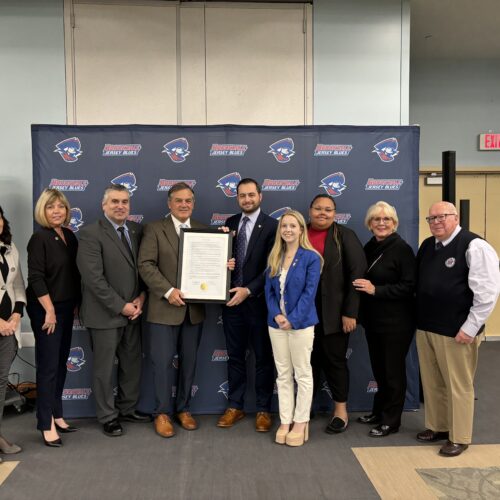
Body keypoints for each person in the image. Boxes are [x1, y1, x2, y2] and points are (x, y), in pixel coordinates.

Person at [415, 201, 499, 457]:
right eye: (431, 218)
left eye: (442, 217)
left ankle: (460, 436)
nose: (436, 222)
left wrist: (470, 328)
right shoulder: (429, 245)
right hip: (427, 326)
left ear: (456, 217)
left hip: (457, 331)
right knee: (432, 382)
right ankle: (438, 426)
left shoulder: (475, 246)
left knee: (458, 385)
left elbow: (487, 293)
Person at [77, 184, 149, 437]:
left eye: (125, 202)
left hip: (134, 311)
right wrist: (122, 307)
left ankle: (127, 408)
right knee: (104, 369)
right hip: (105, 314)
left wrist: (140, 298)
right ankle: (108, 416)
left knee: (131, 364)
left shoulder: (136, 230)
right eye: (115, 201)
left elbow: (142, 268)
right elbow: (93, 279)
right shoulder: (90, 234)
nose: (120, 206)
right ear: (104, 205)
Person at [138, 183, 206, 438]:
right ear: (169, 203)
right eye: (178, 200)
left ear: (193, 203)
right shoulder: (155, 229)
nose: (184, 204)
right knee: (163, 364)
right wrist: (168, 291)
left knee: (189, 363)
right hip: (163, 309)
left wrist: (225, 263)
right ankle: (162, 412)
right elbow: (145, 265)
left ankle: (183, 409)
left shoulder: (203, 230)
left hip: (194, 311)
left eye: (188, 200)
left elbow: (210, 265)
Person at [217, 178, 278, 432]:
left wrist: (249, 290)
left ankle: (264, 409)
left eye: (251, 195)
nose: (247, 200)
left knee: (264, 358)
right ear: (237, 198)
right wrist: (221, 258)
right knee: (235, 357)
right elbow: (223, 260)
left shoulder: (273, 226)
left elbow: (272, 265)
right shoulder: (230, 224)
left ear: (260, 196)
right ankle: (235, 405)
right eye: (242, 196)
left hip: (259, 303)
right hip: (231, 304)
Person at [353, 201, 416, 437]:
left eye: (386, 219)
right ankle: (378, 411)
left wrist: (375, 290)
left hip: (397, 323)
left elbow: (409, 287)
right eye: (377, 219)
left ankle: (392, 420)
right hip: (374, 321)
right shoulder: (370, 246)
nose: (381, 223)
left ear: (394, 223)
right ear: (369, 224)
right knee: (380, 370)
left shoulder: (402, 249)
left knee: (393, 373)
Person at [307, 194, 366, 433]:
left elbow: (357, 275)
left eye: (328, 210)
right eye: (318, 209)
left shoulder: (345, 236)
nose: (323, 213)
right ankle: (303, 409)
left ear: (335, 213)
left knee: (335, 362)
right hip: (303, 313)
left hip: (335, 314)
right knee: (305, 364)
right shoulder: (298, 232)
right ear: (310, 210)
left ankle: (340, 411)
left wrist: (350, 312)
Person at [26, 189, 80, 447]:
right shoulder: (39, 238)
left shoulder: (69, 235)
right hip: (45, 309)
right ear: (42, 211)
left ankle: (57, 413)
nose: (57, 211)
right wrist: (48, 310)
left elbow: (73, 275)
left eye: (61, 206)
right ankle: (45, 421)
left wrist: (75, 304)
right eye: (51, 207)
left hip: (66, 306)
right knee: (48, 366)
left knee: (60, 362)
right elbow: (35, 277)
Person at [265, 210, 322, 447]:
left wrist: (293, 319)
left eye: (292, 226)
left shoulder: (311, 257)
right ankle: (285, 420)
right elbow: (268, 292)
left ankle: (301, 422)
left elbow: (310, 293)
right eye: (284, 226)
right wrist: (276, 314)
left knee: (302, 373)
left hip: (300, 326)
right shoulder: (275, 256)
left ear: (301, 229)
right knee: (283, 375)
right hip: (276, 325)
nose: (287, 229)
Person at [0, 206, 26, 459]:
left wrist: (17, 314)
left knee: (0, 384)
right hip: (1, 325)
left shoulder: (10, 248)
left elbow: (18, 285)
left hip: (9, 328)